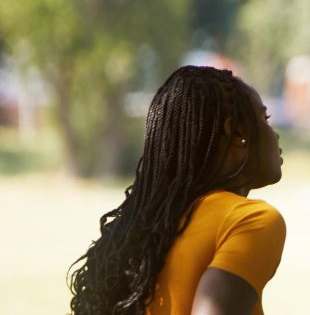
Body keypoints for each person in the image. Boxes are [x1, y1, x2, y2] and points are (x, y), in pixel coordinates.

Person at [68, 66, 287, 315]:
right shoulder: (250, 220)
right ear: (237, 133)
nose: (275, 134)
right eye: (265, 120)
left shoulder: (141, 227)